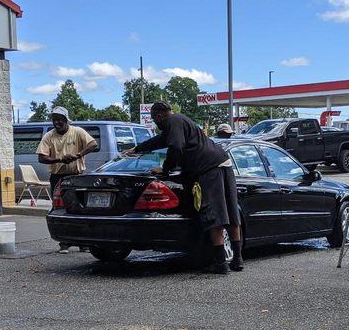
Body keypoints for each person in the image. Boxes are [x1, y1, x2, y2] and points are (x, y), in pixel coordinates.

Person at [126, 101, 243, 274]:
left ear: (159, 116)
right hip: (223, 162)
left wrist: (165, 169)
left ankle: (220, 263)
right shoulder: (180, 122)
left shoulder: (172, 122)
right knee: (231, 212)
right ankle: (237, 259)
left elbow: (176, 146)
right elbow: (160, 141)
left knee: (215, 215)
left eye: (154, 119)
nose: (156, 124)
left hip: (207, 168)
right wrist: (138, 148)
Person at [36, 106, 98, 253]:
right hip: (58, 177)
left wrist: (78, 155)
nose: (56, 123)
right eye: (54, 120)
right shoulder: (49, 136)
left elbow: (93, 144)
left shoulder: (77, 131)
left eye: (59, 120)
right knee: (60, 209)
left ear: (66, 120)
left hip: (76, 176)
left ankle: (83, 243)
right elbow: (41, 157)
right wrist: (59, 159)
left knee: (80, 209)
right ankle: (64, 243)